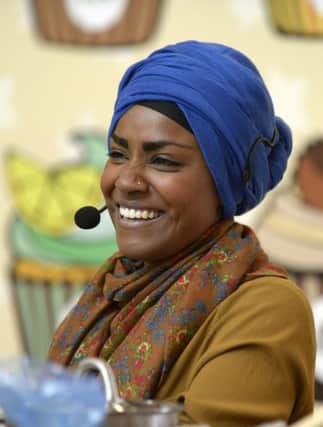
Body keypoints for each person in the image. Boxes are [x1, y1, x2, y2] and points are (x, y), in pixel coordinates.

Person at [48, 40, 316, 426]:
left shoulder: (267, 309)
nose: (128, 181)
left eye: (164, 160)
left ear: (224, 180)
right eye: (118, 154)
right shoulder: (111, 289)